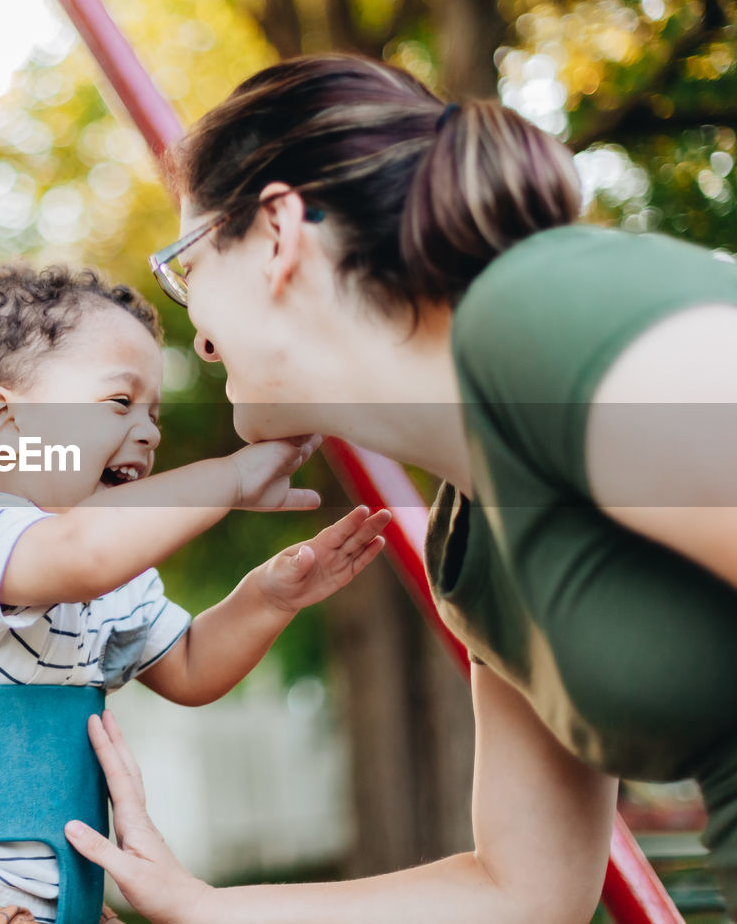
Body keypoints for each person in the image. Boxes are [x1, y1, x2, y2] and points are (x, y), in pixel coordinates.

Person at [61, 53, 737, 923]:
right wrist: (202, 907)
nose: (200, 341)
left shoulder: (542, 314)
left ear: (277, 234)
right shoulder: (474, 548)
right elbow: (523, 890)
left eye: (185, 271)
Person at [0, 262, 392, 924]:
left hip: (53, 902)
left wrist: (266, 598)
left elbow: (193, 666)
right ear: (2, 420)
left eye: (154, 413)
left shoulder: (116, 578)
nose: (149, 431)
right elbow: (83, 553)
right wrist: (226, 479)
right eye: (120, 401)